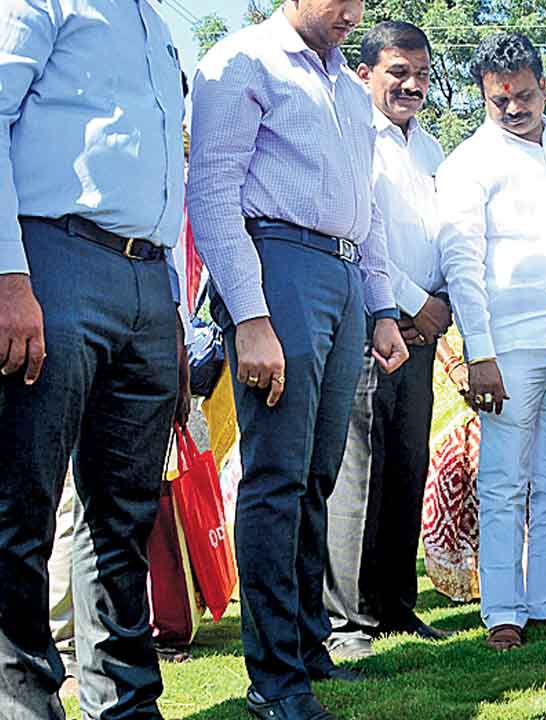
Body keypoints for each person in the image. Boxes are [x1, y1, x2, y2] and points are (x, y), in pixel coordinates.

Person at [188, 0, 410, 715]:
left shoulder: (348, 86)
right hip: (277, 264)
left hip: (343, 275)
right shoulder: (242, 62)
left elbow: (366, 209)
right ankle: (274, 677)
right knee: (278, 476)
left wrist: (381, 306)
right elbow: (212, 193)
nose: (354, 12)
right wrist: (250, 315)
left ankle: (310, 649)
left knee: (318, 476)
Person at [0, 0, 188, 715]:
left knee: (125, 517)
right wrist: (7, 274)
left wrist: (171, 311)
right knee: (22, 507)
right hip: (53, 256)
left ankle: (125, 703)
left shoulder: (159, 28)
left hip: (148, 277)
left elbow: (163, 179)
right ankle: (23, 705)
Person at [437, 31, 546, 653]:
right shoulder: (469, 163)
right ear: (485, 97)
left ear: (543, 87)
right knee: (504, 482)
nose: (512, 108)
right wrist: (479, 352)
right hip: (508, 349)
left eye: (523, 95)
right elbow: (461, 262)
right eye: (499, 100)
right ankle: (503, 610)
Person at [322, 20, 454, 662]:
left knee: (406, 465)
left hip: (423, 332)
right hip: (373, 322)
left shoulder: (431, 150)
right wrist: (409, 304)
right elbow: (364, 232)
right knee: (359, 471)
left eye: (422, 74)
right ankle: (346, 619)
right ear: (365, 73)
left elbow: (447, 238)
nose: (412, 85)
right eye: (398, 72)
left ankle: (395, 605)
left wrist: (438, 309)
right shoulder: (353, 134)